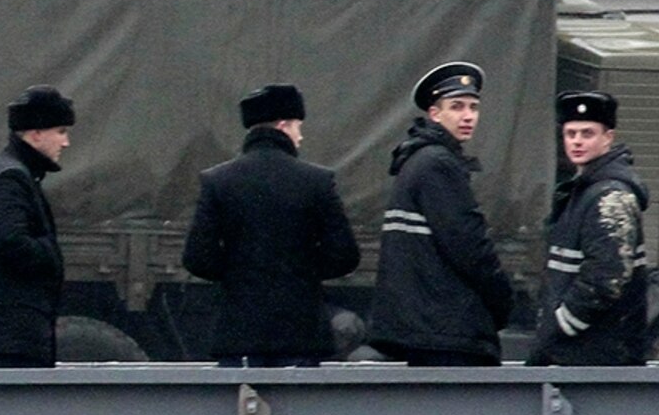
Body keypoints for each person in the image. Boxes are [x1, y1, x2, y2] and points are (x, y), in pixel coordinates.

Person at [179, 82, 358, 367]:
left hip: (239, 334)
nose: (301, 136)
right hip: (302, 334)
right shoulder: (316, 181)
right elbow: (345, 255)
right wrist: (303, 272)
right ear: (284, 125)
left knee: (242, 409)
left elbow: (197, 258)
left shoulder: (218, 181)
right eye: (299, 126)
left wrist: (238, 273)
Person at [369, 62, 516, 366]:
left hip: (426, 326)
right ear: (434, 114)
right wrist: (503, 301)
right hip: (447, 331)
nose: (468, 116)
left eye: (474, 108)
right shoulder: (439, 164)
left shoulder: (418, 161)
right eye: (457, 107)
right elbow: (469, 246)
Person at [530, 89, 650, 367]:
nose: (577, 142)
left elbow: (606, 277)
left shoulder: (610, 196)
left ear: (608, 137)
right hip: (580, 352)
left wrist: (561, 325)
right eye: (570, 134)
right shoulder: (582, 190)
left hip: (595, 355)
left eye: (587, 133)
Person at [0, 87, 72, 369]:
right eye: (60, 131)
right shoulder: (11, 178)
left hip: (7, 337)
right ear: (35, 133)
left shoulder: (10, 173)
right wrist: (52, 252)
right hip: (12, 340)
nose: (66, 142)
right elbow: (12, 244)